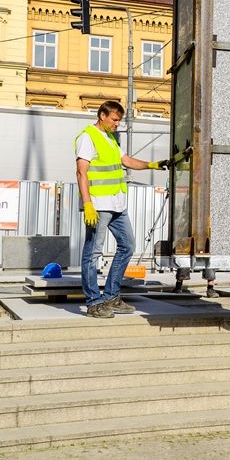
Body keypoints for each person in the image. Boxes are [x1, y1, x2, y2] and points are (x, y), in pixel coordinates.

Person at [76, 100, 168, 319]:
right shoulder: (88, 137)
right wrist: (87, 203)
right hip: (98, 206)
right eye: (114, 120)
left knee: (127, 246)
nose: (118, 124)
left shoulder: (111, 139)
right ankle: (94, 302)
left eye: (119, 120)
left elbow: (125, 160)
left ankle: (111, 296)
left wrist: (152, 165)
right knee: (92, 254)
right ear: (102, 116)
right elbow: (81, 172)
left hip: (118, 204)